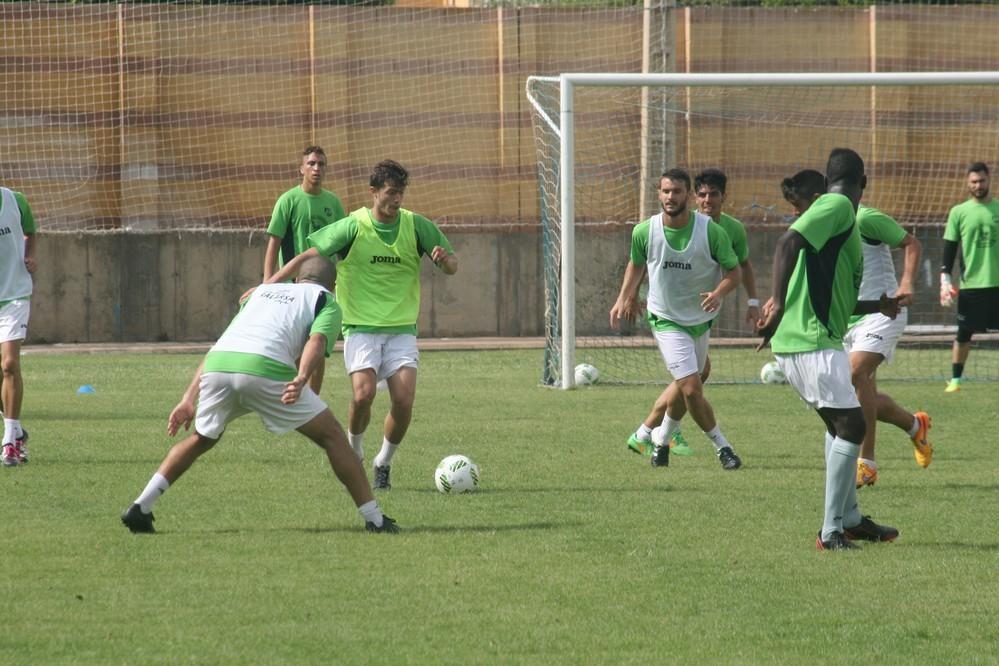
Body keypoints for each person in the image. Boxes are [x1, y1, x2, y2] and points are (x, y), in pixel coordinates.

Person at [120, 256, 397, 534]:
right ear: (333, 284)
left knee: (201, 439)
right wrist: (301, 377)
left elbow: (225, 341)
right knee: (333, 436)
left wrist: (187, 399)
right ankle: (374, 519)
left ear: (297, 280)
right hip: (265, 369)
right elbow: (317, 341)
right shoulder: (325, 301)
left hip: (219, 365)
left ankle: (141, 506)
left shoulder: (261, 292)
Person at [266, 160, 457, 491]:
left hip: (401, 329)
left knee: (404, 398)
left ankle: (383, 462)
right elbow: (306, 256)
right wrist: (269, 286)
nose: (397, 200)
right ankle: (354, 452)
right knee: (363, 395)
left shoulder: (416, 226)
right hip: (360, 327)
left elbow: (453, 264)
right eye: (391, 193)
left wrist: (445, 261)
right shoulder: (353, 225)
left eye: (401, 193)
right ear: (374, 192)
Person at [756, 149, 899, 550]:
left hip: (817, 339)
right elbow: (786, 244)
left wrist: (878, 306)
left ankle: (850, 519)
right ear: (863, 182)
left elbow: (836, 296)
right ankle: (831, 530)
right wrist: (779, 306)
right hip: (809, 340)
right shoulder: (836, 206)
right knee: (853, 425)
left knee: (841, 427)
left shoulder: (843, 223)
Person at [781, 171, 933, 488]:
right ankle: (914, 425)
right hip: (844, 319)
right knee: (856, 396)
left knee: (855, 375)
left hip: (882, 312)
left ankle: (866, 462)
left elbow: (911, 243)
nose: (797, 215)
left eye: (800, 207)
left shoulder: (865, 219)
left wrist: (906, 283)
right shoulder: (818, 230)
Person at [610, 168, 744, 471]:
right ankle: (723, 448)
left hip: (700, 320)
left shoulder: (711, 231)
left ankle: (658, 440)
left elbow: (734, 271)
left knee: (694, 379)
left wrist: (719, 293)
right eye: (666, 191)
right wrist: (624, 297)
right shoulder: (645, 231)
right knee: (692, 388)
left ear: (688, 196)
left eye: (677, 191)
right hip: (666, 319)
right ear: (659, 194)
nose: (671, 197)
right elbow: (636, 264)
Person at [263, 146, 345, 394]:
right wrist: (268, 283)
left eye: (321, 164)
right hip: (292, 288)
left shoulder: (333, 203)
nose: (316, 168)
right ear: (301, 168)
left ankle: (313, 400)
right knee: (296, 344)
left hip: (322, 288)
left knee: (318, 342)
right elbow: (274, 242)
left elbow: (343, 244)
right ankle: (294, 391)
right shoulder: (288, 200)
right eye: (311, 163)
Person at [940, 161, 999, 393]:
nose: (978, 185)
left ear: (989, 181)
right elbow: (949, 249)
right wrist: (945, 279)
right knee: (964, 334)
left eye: (982, 180)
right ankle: (956, 381)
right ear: (968, 183)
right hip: (972, 284)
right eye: (974, 182)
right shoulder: (959, 212)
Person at [1, 186, 37, 467]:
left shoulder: (15, 200)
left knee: (9, 365)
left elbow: (30, 231)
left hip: (14, 295)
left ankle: (10, 442)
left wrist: (29, 255)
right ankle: (19, 430)